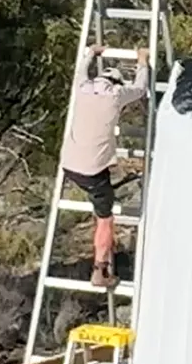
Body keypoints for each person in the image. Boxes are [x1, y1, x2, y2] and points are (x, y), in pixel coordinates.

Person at [60, 44, 150, 289]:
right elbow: (140, 88)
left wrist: (92, 53)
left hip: (69, 164)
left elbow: (81, 69)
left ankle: (100, 249)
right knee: (105, 219)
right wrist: (142, 61)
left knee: (98, 201)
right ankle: (100, 270)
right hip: (92, 170)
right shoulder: (116, 94)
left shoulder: (82, 87)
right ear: (116, 82)